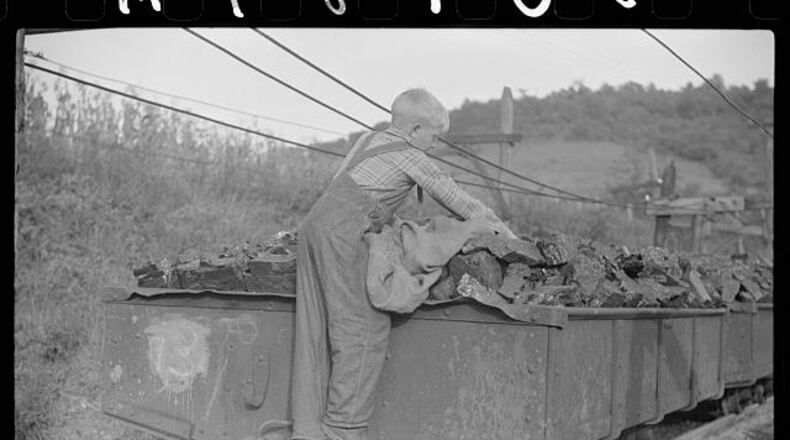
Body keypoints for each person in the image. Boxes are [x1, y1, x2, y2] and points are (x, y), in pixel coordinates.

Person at [290, 88, 516, 440]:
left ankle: (306, 429)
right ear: (414, 130)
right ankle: (342, 431)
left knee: (315, 327)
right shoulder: (412, 157)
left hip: (314, 228)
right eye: (434, 136)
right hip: (343, 235)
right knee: (364, 329)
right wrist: (510, 239)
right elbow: (461, 203)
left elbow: (344, 187)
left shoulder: (368, 139)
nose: (436, 144)